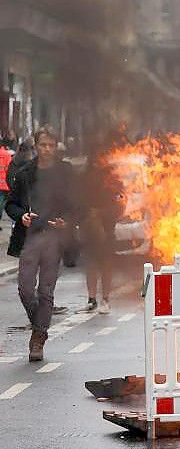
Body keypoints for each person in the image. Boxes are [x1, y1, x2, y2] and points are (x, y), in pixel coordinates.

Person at [6, 125, 74, 362]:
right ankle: (41, 323)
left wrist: (67, 221)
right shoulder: (25, 173)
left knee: (46, 290)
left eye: (51, 145)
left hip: (54, 238)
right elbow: (11, 204)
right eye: (42, 145)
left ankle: (38, 337)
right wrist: (21, 216)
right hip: (30, 238)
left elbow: (78, 204)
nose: (46, 149)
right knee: (25, 288)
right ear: (36, 146)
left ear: (56, 147)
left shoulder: (66, 172)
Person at [80, 158, 124, 313]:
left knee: (106, 264)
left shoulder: (115, 183)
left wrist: (100, 213)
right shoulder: (85, 182)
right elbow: (78, 203)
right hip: (89, 229)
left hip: (107, 229)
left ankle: (105, 299)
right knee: (91, 264)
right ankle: (91, 299)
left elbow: (120, 206)